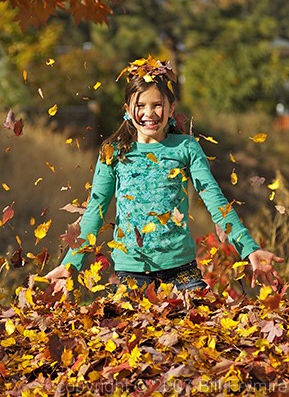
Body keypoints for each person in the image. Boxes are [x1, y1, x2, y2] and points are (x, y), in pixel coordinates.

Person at [45, 54, 284, 296]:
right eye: (140, 106)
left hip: (182, 271)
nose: (149, 113)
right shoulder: (113, 152)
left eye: (157, 105)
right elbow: (95, 211)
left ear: (171, 109)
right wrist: (71, 264)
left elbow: (216, 201)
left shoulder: (186, 148)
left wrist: (250, 250)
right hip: (131, 273)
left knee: (198, 325)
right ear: (127, 110)